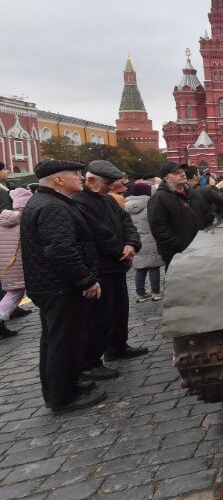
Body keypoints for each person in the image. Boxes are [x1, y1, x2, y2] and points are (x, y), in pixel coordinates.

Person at [20, 160, 106, 412]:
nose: (81, 177)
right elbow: (61, 251)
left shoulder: (45, 202)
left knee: (55, 339)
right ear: (58, 180)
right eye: (76, 174)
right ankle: (62, 397)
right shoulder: (53, 207)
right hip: (60, 287)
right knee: (63, 341)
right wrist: (86, 279)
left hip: (51, 286)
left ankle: (64, 386)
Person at [73, 160, 146, 375]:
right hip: (99, 267)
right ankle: (91, 362)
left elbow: (126, 222)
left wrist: (131, 244)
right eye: (107, 182)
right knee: (98, 317)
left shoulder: (108, 200)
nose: (110, 186)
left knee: (119, 310)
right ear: (92, 180)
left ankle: (117, 347)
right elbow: (98, 233)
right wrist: (121, 251)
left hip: (115, 265)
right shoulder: (80, 202)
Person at [148, 162, 207, 270]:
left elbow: (206, 212)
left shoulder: (193, 193)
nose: (182, 174)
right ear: (166, 178)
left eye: (182, 171)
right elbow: (158, 228)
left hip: (200, 248)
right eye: (176, 173)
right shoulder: (159, 198)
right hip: (176, 253)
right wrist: (180, 245)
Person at [0, 188, 33, 337]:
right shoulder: (24, 221)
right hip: (19, 265)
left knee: (14, 292)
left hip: (6, 265)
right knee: (15, 294)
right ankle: (1, 317)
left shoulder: (3, 221)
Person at [125, 182, 164, 302]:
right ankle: (155, 292)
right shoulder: (150, 204)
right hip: (151, 240)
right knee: (154, 267)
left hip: (135, 241)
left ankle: (140, 294)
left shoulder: (126, 206)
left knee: (140, 269)